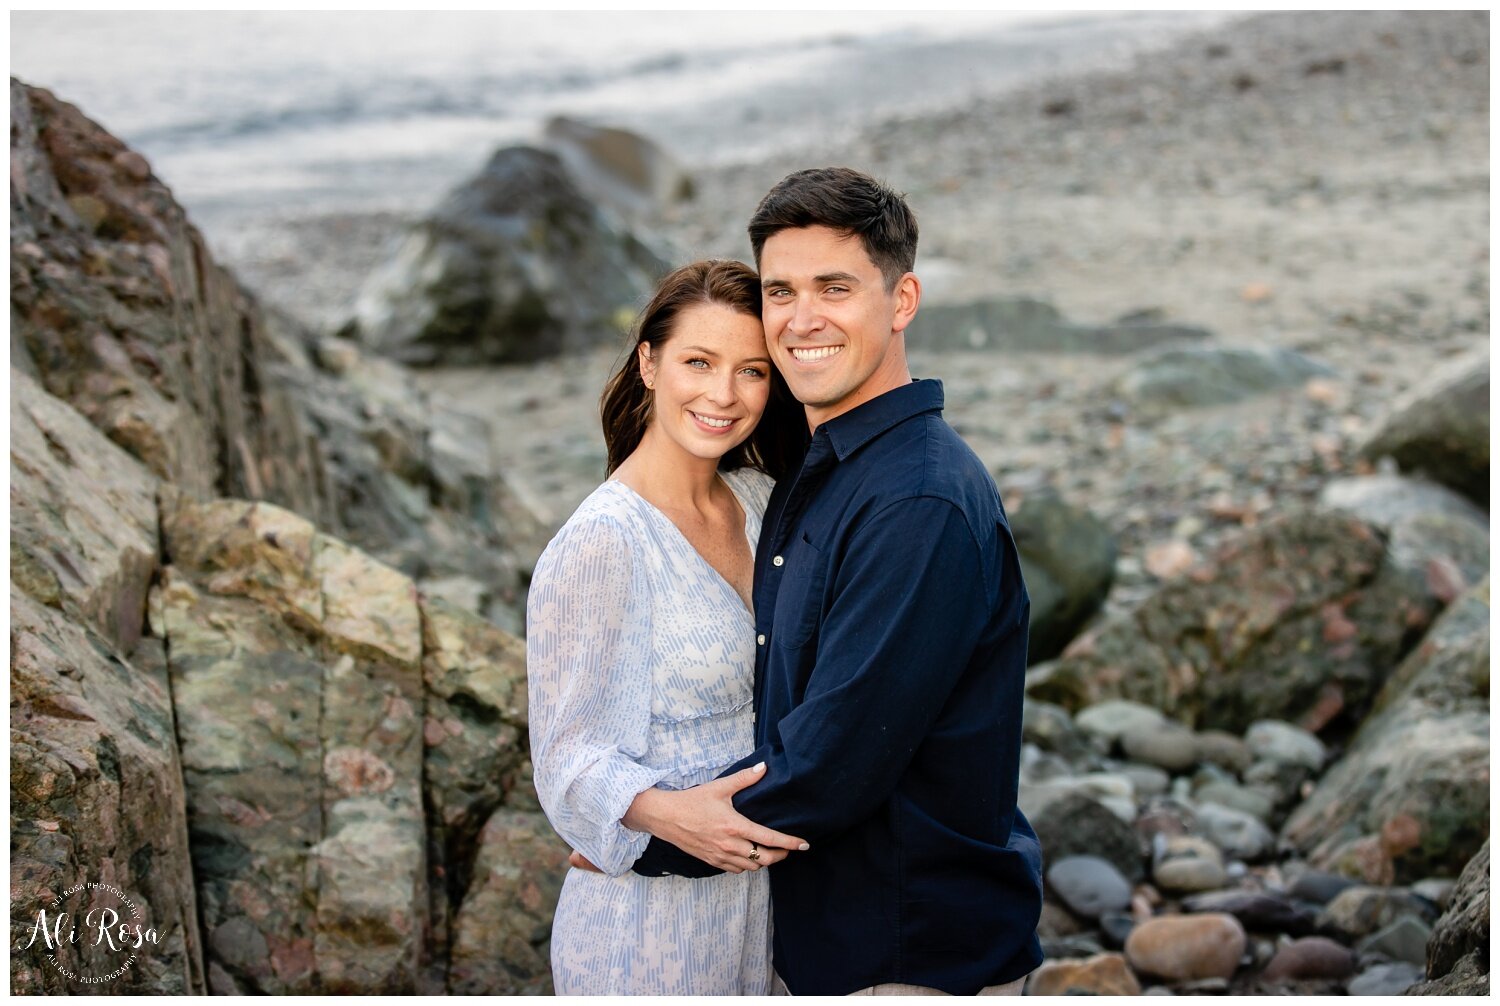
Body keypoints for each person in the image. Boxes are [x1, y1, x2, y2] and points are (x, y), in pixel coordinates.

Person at [630, 168, 1045, 995]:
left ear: (902, 301)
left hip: (911, 957)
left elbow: (831, 767)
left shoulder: (918, 501)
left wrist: (643, 841)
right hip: (832, 942)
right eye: (780, 291)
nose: (801, 318)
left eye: (835, 287)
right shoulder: (821, 468)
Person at [525, 259, 810, 995]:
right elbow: (566, 757)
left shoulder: (762, 500)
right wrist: (664, 815)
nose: (724, 394)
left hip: (764, 912)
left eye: (752, 370)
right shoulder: (603, 541)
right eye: (698, 362)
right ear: (649, 363)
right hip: (647, 929)